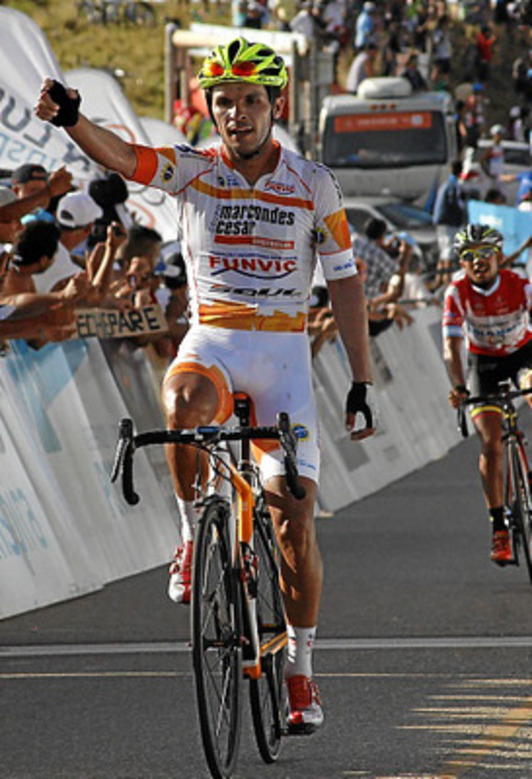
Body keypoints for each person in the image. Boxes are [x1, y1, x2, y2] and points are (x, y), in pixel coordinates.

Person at [35, 36, 376, 734]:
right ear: (210, 109)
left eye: (251, 101)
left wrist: (360, 379)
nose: (237, 114)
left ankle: (300, 670)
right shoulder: (193, 169)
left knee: (293, 519)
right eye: (224, 102)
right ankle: (193, 533)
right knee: (181, 401)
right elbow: (124, 157)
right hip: (213, 338)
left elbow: (345, 283)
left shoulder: (314, 184)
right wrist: (72, 119)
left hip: (283, 354)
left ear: (275, 106)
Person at [442, 225, 532, 565]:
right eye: (469, 255)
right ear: (461, 262)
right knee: (491, 444)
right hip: (484, 365)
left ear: (498, 256)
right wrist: (458, 385)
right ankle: (499, 528)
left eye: (484, 253)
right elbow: (451, 345)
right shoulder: (456, 292)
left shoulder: (519, 284)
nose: (477, 260)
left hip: (523, 355)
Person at [432, 160, 467, 289]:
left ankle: (438, 280)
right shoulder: (454, 185)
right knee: (449, 251)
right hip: (449, 222)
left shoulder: (445, 184)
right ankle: (447, 280)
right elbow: (456, 204)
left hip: (440, 221)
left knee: (443, 251)